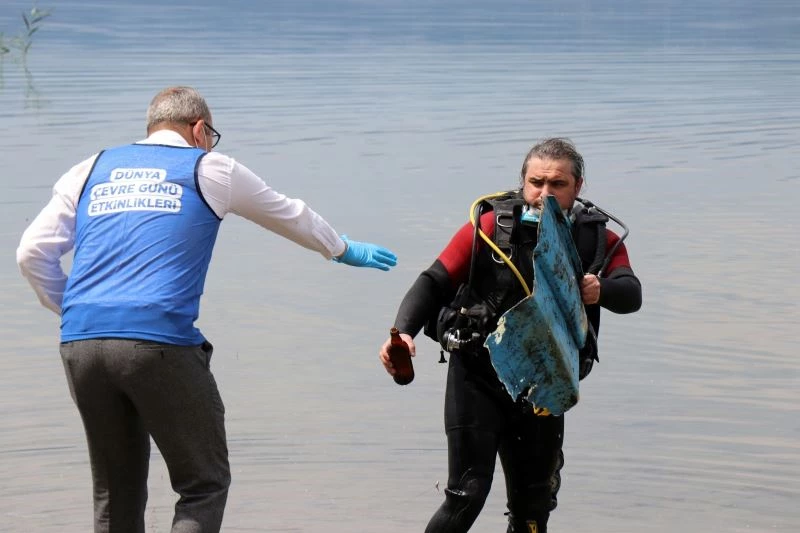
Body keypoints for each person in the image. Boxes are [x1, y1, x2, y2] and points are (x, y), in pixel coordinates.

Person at [16, 86, 397, 533]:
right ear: (199, 129)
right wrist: (342, 248)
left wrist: (74, 312)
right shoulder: (209, 168)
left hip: (80, 344)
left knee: (115, 495)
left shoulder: (89, 169)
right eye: (210, 137)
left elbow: (31, 252)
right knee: (202, 485)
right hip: (158, 343)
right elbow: (288, 213)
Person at [379, 137, 641, 532]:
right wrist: (402, 333)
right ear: (523, 182)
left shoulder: (594, 239)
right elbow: (433, 280)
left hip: (544, 385)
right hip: (478, 379)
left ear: (578, 186)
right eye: (536, 182)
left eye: (558, 184)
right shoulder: (490, 228)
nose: (545, 194)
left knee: (532, 509)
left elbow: (631, 293)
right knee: (466, 495)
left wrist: (601, 289)